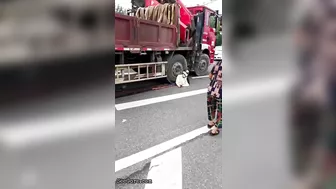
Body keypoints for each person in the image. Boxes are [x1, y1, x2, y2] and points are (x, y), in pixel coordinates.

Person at [207, 61, 222, 136]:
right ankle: (215, 129)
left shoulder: (218, 63)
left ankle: (211, 122)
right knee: (221, 110)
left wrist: (215, 83)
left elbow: (210, 76)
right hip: (221, 89)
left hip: (212, 87)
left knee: (211, 106)